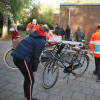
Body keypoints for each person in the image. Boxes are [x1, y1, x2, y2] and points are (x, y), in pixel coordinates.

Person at [12, 25, 49, 100]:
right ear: (45, 32)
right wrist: (34, 70)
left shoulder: (33, 35)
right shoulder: (40, 41)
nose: (49, 34)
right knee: (31, 79)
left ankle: (27, 98)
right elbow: (36, 57)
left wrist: (32, 68)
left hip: (17, 56)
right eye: (48, 33)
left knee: (28, 78)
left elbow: (33, 56)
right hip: (22, 59)